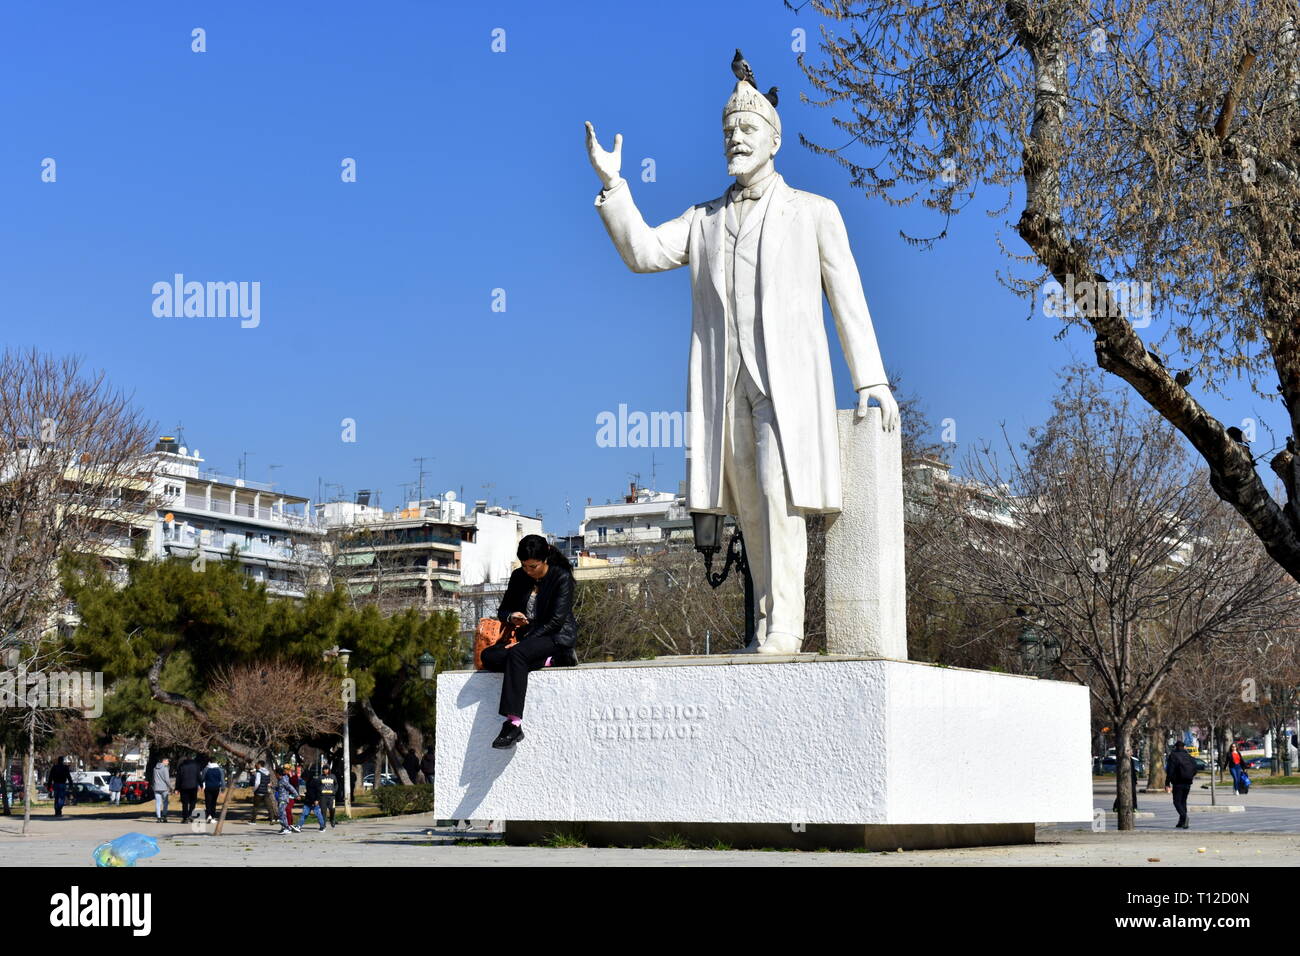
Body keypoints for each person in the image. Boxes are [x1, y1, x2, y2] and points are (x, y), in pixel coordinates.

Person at [586, 68, 899, 655]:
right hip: (722, 386)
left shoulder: (813, 212)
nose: (736, 136)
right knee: (750, 510)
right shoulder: (703, 220)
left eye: (748, 126)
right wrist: (616, 185)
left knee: (782, 499)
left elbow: (847, 298)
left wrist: (871, 377)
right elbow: (646, 251)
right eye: (729, 127)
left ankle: (787, 626)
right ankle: (765, 623)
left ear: (774, 139)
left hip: (787, 386)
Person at [480, 535, 579, 749]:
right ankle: (551, 661)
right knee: (489, 656)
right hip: (527, 639)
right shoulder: (519, 577)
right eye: (524, 566)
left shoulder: (561, 577)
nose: (528, 571)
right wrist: (511, 616)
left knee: (517, 655)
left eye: (533, 566)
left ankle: (513, 723)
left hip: (555, 636)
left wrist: (521, 645)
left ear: (544, 560)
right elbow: (503, 609)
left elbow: (555, 621)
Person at [1164, 740, 1198, 829]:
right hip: (1188, 782)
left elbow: (1170, 770)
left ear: (1176, 747)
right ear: (1184, 747)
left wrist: (1167, 782)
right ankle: (1181, 822)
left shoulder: (1173, 756)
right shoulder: (1189, 756)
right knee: (1183, 801)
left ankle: (1184, 817)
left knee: (1177, 801)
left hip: (1178, 782)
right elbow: (1195, 768)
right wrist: (1190, 776)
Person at [274, 766, 300, 834]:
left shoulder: (283, 780)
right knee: (281, 813)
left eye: (275, 774)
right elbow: (278, 788)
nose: (275, 776)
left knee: (282, 813)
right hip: (280, 798)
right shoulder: (280, 781)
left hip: (284, 799)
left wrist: (296, 795)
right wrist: (272, 786)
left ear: (278, 774)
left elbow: (290, 787)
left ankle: (286, 828)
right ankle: (285, 827)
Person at [175, 755, 201, 823]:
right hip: (193, 786)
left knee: (185, 803)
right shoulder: (196, 766)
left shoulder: (182, 766)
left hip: (184, 786)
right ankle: (190, 814)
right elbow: (198, 776)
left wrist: (177, 788)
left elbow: (178, 778)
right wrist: (201, 784)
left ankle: (185, 817)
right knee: (193, 801)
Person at [202, 758, 224, 823]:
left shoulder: (206, 769)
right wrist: (223, 788)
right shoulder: (220, 769)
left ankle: (208, 815)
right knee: (213, 803)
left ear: (209, 762)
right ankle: (213, 817)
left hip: (208, 787)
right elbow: (222, 780)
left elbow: (202, 778)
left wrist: (201, 784)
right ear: (216, 761)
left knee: (208, 802)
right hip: (216, 788)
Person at [152, 758, 172, 823]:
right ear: (164, 761)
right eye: (167, 761)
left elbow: (153, 778)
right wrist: (170, 787)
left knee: (158, 803)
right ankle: (164, 816)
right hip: (164, 788)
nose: (168, 763)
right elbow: (167, 779)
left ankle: (158, 817)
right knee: (165, 803)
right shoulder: (165, 768)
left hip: (156, 787)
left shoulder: (155, 768)